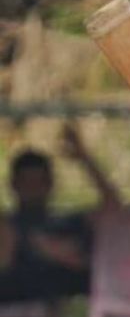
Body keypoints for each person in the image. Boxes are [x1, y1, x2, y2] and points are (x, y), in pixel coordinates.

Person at [0, 124, 120, 304]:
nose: (33, 188)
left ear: (50, 183)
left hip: (73, 296)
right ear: (14, 185)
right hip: (18, 299)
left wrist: (84, 159)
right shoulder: (8, 226)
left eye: (39, 182)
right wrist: (30, 243)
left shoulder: (69, 221)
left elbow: (115, 212)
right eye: (27, 182)